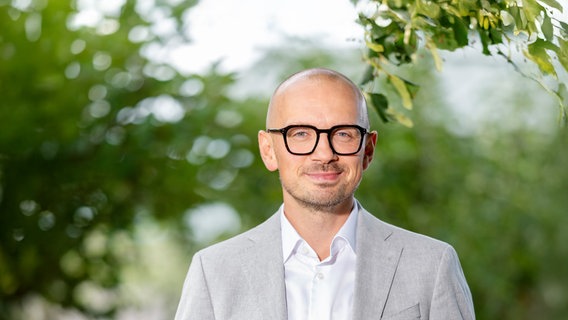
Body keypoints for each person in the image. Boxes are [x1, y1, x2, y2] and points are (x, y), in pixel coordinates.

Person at [174, 68, 475, 320]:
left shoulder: (432, 265)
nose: (324, 154)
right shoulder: (214, 271)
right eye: (301, 133)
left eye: (343, 134)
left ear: (367, 150)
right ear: (269, 150)